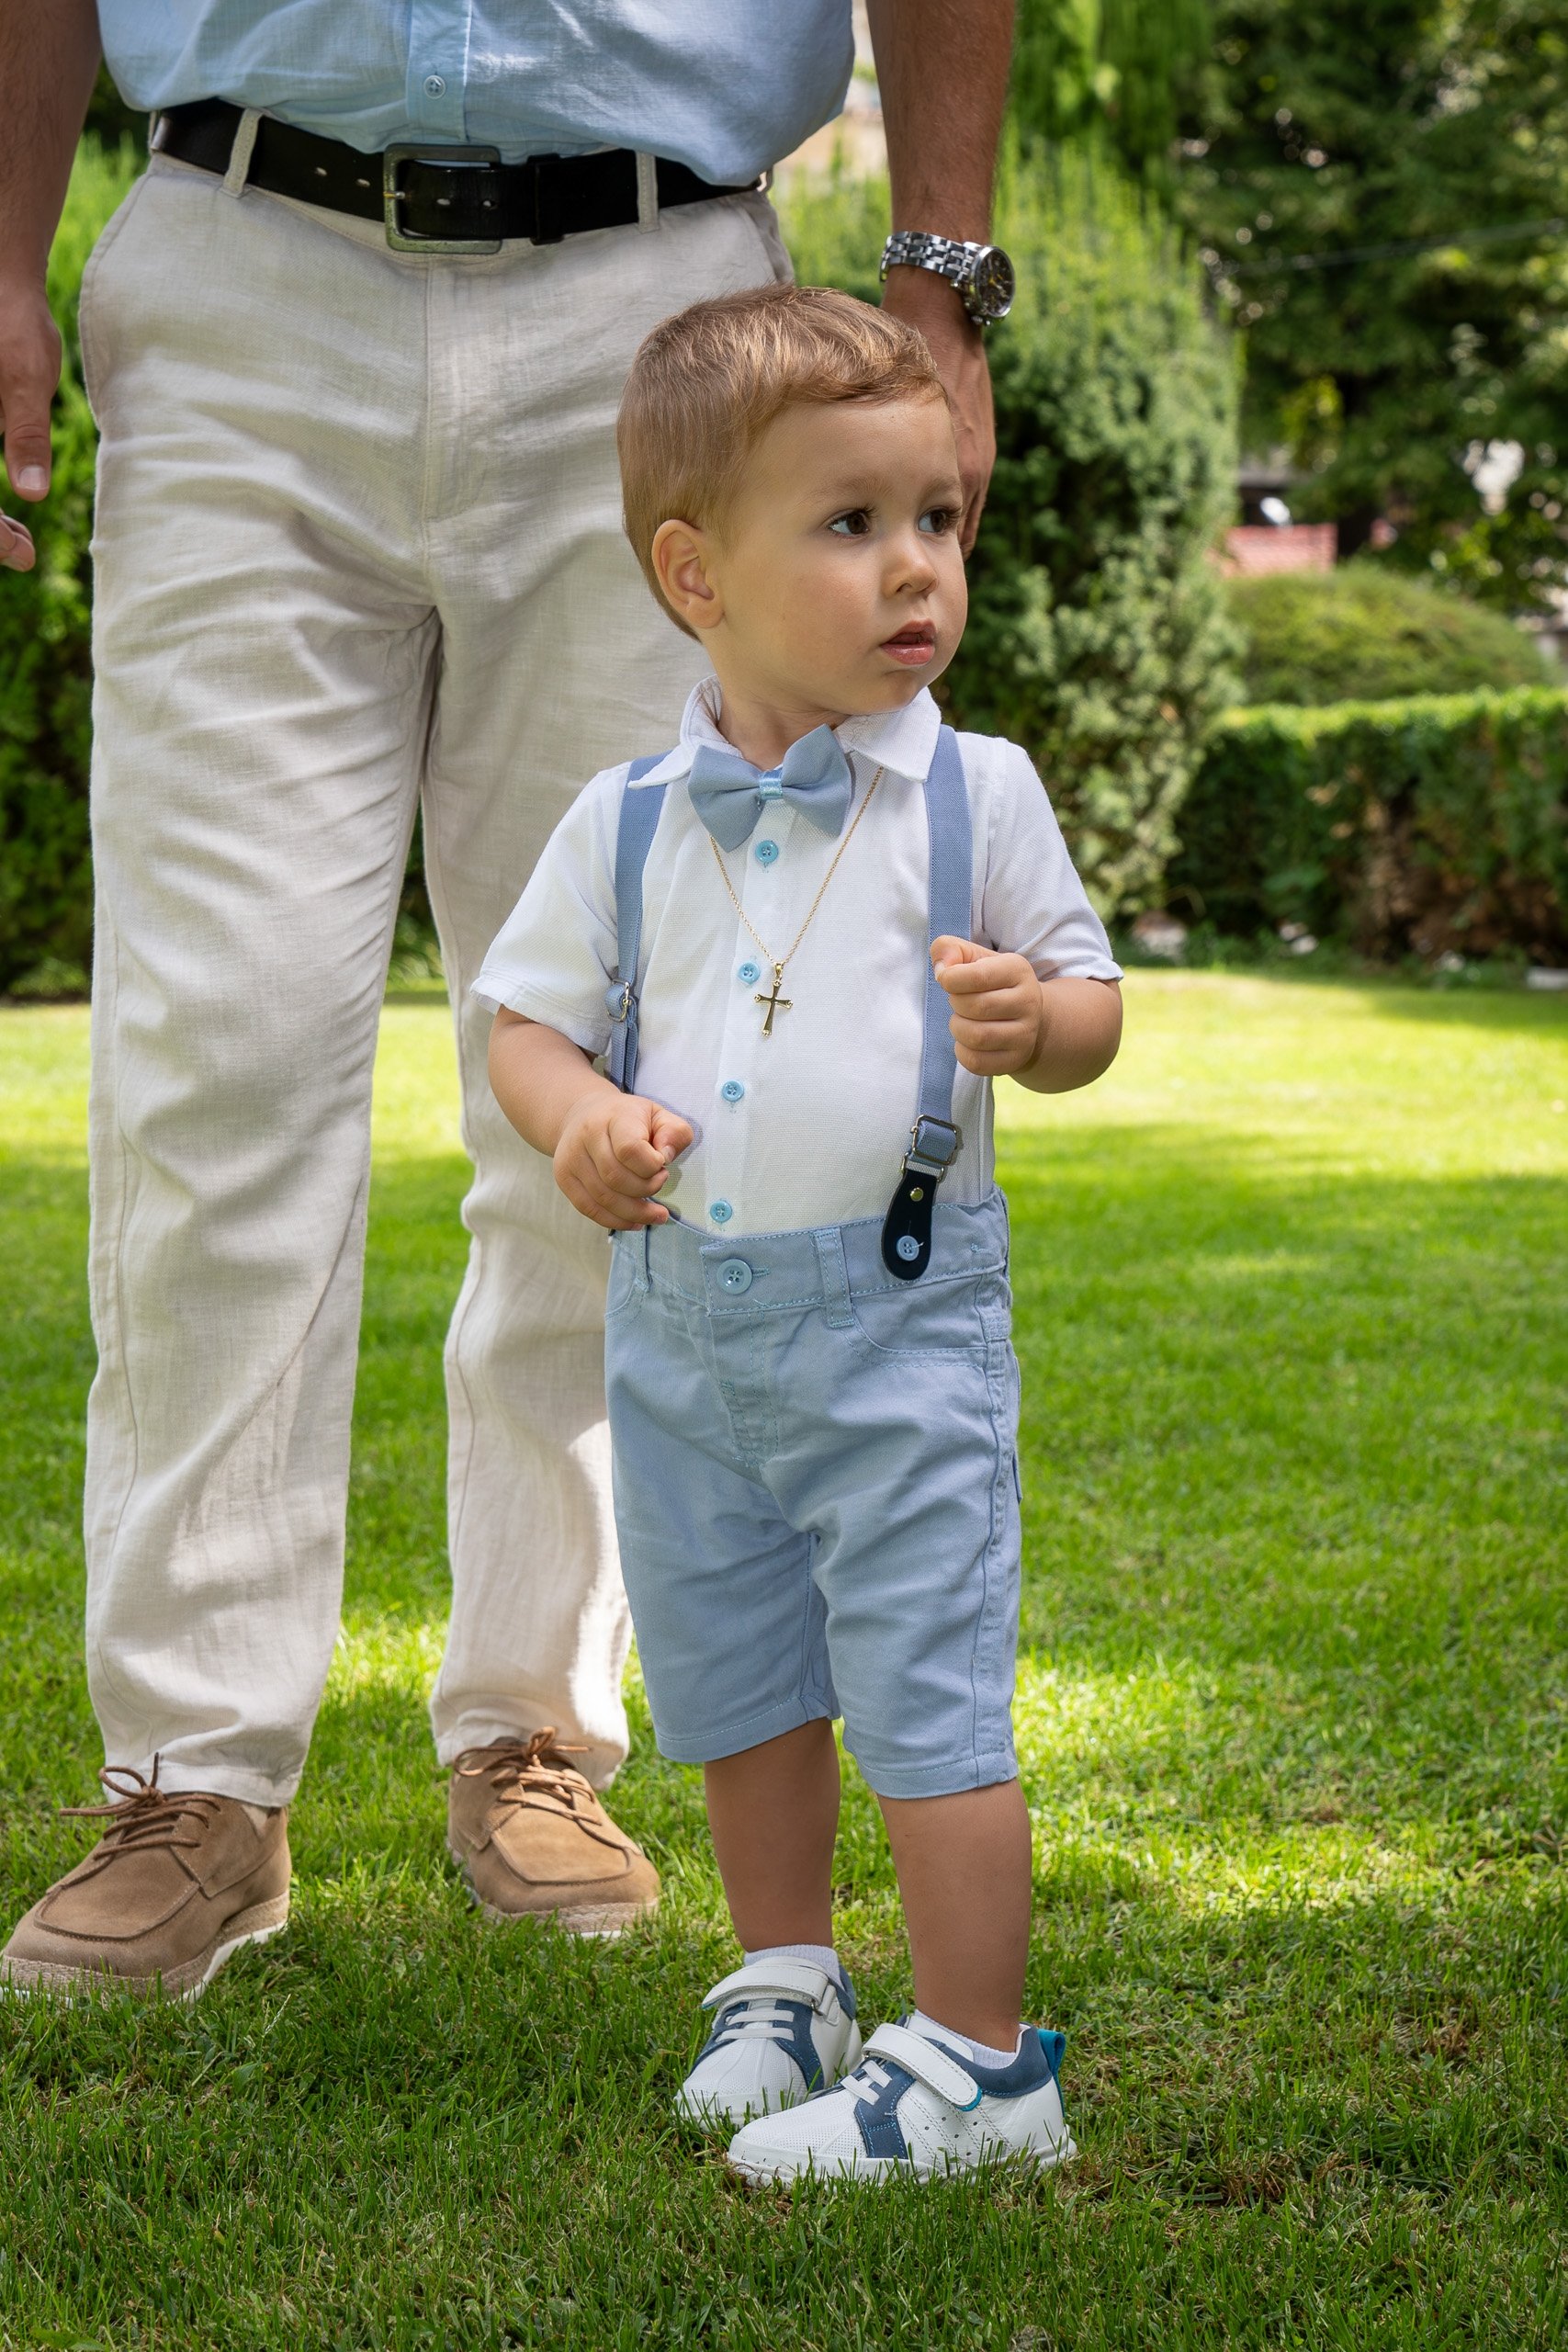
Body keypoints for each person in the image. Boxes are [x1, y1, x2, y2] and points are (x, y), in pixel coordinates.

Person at [0, 2, 1022, 1997]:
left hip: (664, 315)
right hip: (237, 265)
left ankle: (539, 1720)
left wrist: (940, 266)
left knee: (621, 1070)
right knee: (210, 1062)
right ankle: (194, 1773)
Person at [477, 285, 1123, 2182]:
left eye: (936, 519)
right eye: (849, 526)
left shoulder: (972, 792)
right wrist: (581, 1117)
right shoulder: (623, 822)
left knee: (923, 1677)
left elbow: (1090, 1002)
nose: (915, 565)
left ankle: (983, 2066)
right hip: (681, 1334)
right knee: (735, 1665)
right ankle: (787, 1977)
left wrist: (1036, 1020)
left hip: (897, 1321)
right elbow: (521, 1021)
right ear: (696, 572)